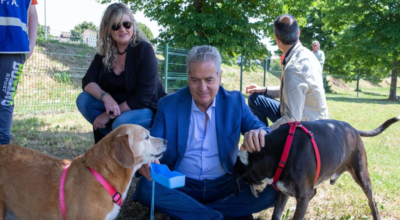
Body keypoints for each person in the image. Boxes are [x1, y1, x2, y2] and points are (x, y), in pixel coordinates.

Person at [134, 45, 278, 219]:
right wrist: (149, 159)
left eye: (209, 80)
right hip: (181, 183)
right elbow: (152, 144)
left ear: (220, 77)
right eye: (195, 80)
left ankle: (193, 212)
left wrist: (259, 133)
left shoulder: (235, 102)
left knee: (272, 192)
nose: (202, 88)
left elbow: (263, 130)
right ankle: (217, 215)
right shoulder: (168, 104)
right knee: (145, 187)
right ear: (187, 77)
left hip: (226, 182)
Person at [76, 2, 166, 143]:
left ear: (133, 25)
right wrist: (106, 98)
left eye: (127, 24)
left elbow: (143, 98)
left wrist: (108, 115)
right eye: (116, 26)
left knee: (120, 124)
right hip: (117, 109)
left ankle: (113, 142)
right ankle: (117, 142)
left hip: (146, 109)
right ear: (108, 30)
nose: (122, 29)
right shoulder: (105, 53)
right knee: (83, 100)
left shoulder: (144, 50)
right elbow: (87, 81)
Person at [246, 14, 329, 130]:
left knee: (264, 129)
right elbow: (291, 90)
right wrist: (264, 90)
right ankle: (262, 140)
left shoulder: (293, 67)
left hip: (308, 130)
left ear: (277, 39)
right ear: (298, 33)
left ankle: (262, 141)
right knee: (256, 99)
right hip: (319, 122)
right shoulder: (309, 56)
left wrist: (266, 132)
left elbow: (293, 119)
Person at [0, 0, 38, 146]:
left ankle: (3, 148)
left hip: (14, 47)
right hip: (14, 46)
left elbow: (32, 12)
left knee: (5, 98)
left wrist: (31, 45)